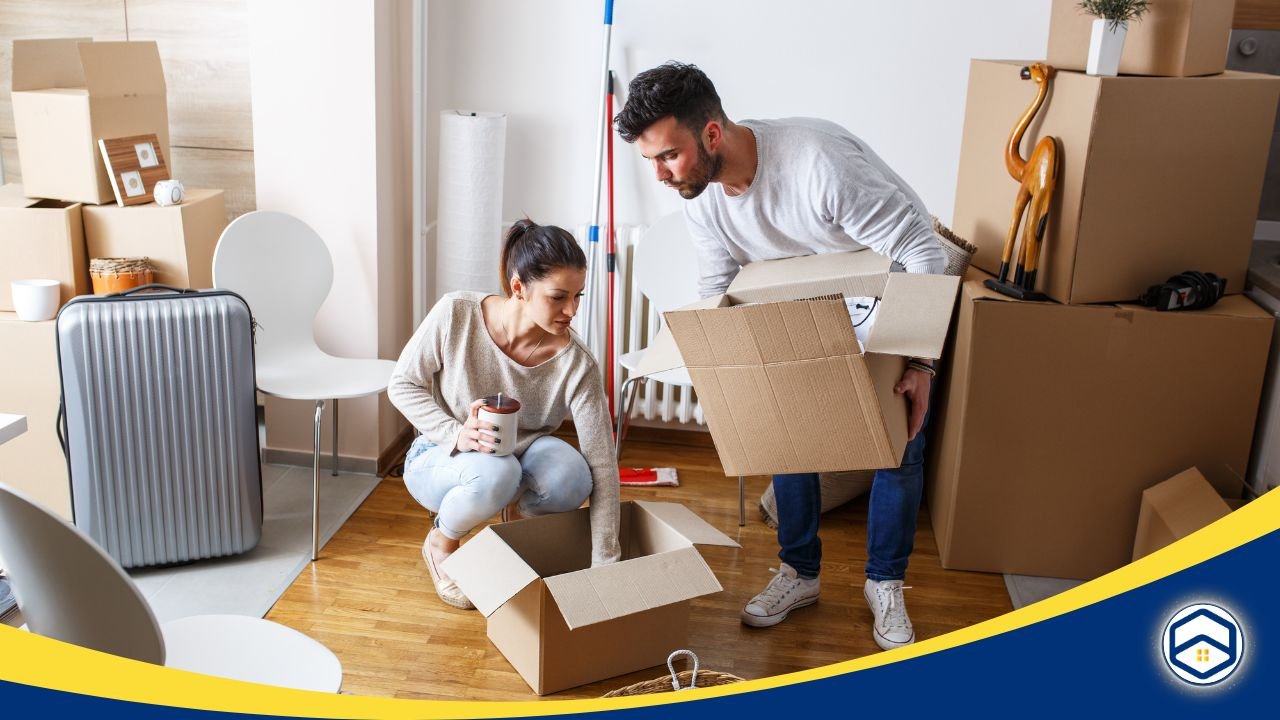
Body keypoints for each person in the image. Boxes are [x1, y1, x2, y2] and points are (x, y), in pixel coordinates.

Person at [615, 62, 946, 650]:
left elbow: (924, 253)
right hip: (804, 307)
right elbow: (720, 292)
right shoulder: (703, 199)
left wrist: (920, 364)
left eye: (668, 156)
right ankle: (800, 573)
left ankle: (885, 583)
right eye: (651, 162)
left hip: (890, 296)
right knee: (789, 435)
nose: (661, 175)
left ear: (711, 134)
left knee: (899, 448)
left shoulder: (820, 166)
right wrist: (731, 379)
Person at [388, 219, 621, 609]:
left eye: (578, 296)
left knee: (573, 474)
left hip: (519, 457)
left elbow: (602, 465)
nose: (572, 310)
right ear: (518, 288)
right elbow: (401, 384)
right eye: (559, 297)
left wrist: (605, 563)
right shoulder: (456, 314)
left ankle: (512, 533)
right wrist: (454, 432)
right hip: (440, 457)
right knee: (498, 471)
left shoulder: (576, 363)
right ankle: (441, 542)